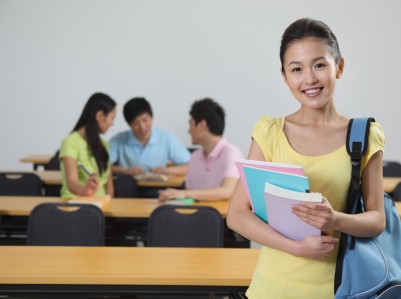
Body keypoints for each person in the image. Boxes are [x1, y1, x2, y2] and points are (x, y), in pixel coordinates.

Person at [226, 18, 386, 298]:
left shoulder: (364, 134)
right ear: (284, 76)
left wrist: (334, 220)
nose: (309, 79)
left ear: (340, 66)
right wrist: (296, 248)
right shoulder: (270, 132)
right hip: (271, 289)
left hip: (339, 289)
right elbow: (237, 215)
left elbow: (377, 220)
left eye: (319, 65)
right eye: (296, 69)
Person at [158, 98, 244, 202]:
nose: (188, 130)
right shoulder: (195, 157)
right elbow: (190, 197)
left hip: (220, 217)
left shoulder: (231, 152)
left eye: (191, 124)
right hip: (197, 216)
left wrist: (185, 193)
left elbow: (227, 191)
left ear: (202, 125)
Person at [109, 97, 190, 176]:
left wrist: (167, 170)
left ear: (152, 118)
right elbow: (103, 167)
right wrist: (126, 171)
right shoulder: (118, 140)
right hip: (128, 185)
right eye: (136, 123)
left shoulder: (166, 138)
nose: (142, 127)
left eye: (145, 120)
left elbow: (191, 165)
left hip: (156, 186)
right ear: (129, 124)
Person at [60, 92, 116, 198]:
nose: (112, 123)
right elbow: (71, 182)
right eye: (112, 118)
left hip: (100, 207)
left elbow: (109, 186)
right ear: (100, 116)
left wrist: (109, 203)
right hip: (76, 205)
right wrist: (84, 191)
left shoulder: (104, 145)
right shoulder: (70, 142)